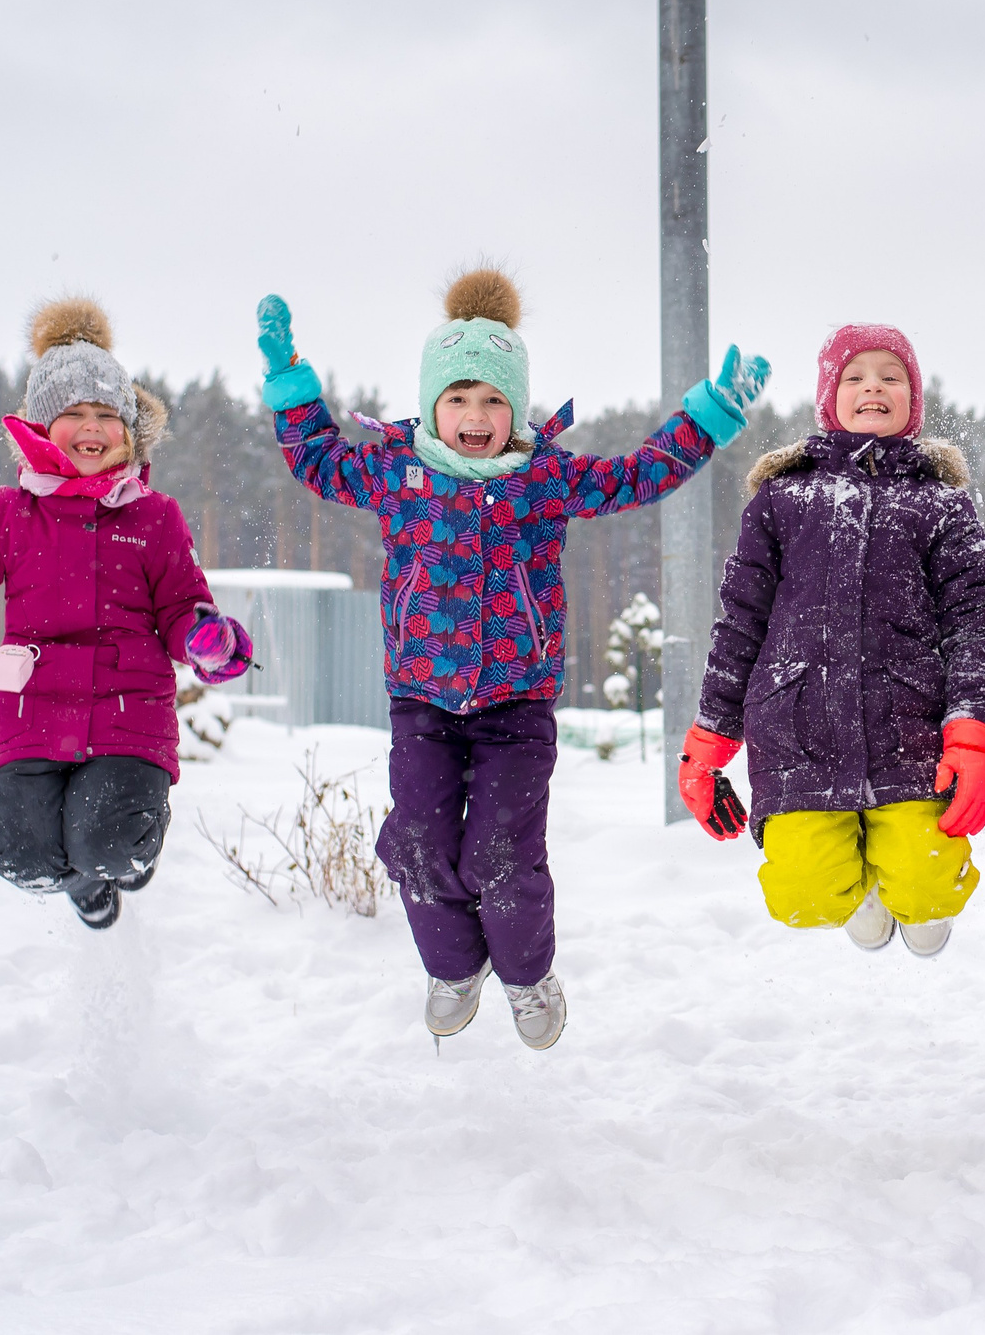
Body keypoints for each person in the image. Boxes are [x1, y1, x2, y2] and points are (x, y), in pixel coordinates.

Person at [256, 269, 767, 1050]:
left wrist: (711, 414)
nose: (476, 415)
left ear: (516, 409)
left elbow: (638, 476)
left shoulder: (542, 477)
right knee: (422, 847)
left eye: (494, 400)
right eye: (459, 398)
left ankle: (527, 976)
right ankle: (454, 966)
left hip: (515, 709)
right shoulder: (400, 473)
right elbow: (318, 461)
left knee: (501, 854)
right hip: (421, 702)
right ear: (432, 405)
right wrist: (291, 384)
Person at [0, 299, 253, 931]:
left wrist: (208, 639)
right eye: (74, 413)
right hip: (32, 712)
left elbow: (183, 605)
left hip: (128, 714)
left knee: (107, 842)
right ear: (40, 427)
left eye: (107, 414)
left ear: (129, 431)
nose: (92, 427)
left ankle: (124, 859)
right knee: (17, 855)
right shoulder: (3, 513)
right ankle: (88, 890)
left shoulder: (154, 517)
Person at [676, 324, 985, 958]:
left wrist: (971, 734)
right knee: (802, 894)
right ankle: (862, 896)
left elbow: (975, 619)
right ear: (830, 397)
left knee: (929, 878)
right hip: (797, 730)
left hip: (908, 730)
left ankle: (912, 894)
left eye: (891, 376)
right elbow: (740, 620)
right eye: (855, 376)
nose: (873, 387)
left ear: (914, 401)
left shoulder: (941, 503)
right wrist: (708, 739)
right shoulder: (780, 499)